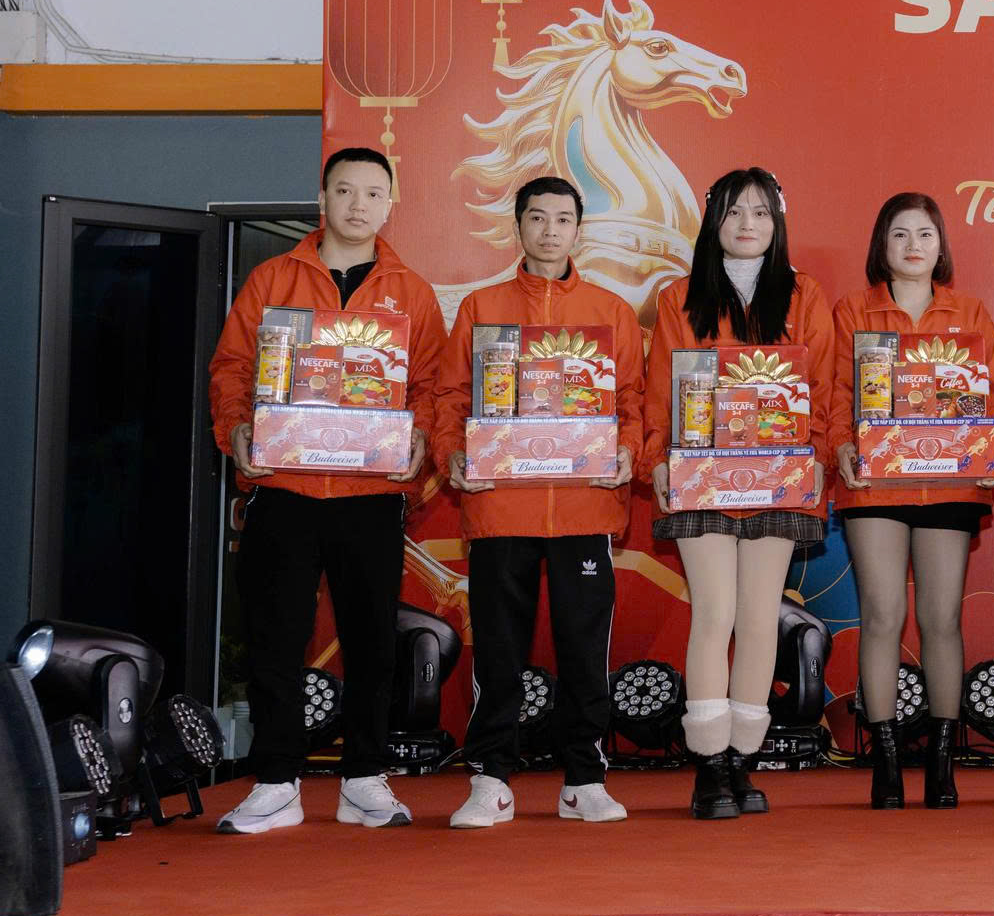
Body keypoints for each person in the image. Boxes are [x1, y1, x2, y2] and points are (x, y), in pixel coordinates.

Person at [205, 146, 444, 835]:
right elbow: (231, 366)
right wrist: (237, 427)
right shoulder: (273, 278)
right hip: (284, 487)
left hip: (370, 493)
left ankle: (364, 777)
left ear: (389, 205)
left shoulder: (411, 291)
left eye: (372, 193)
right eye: (344, 190)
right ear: (322, 198)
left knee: (372, 642)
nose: (357, 204)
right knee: (275, 638)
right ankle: (275, 781)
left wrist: (422, 437)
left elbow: (430, 386)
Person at [430, 176, 644, 828]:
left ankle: (584, 778)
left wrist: (628, 449)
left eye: (562, 219)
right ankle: (490, 778)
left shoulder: (612, 311)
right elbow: (452, 398)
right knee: (499, 650)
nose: (550, 230)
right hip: (500, 506)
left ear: (579, 228)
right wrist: (453, 455)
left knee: (584, 647)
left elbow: (632, 404)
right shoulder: (482, 307)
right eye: (537, 217)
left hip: (585, 507)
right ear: (517, 225)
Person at [642, 168, 841, 822]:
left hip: (779, 474)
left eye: (759, 211)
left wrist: (817, 454)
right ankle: (707, 765)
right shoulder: (679, 297)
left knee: (759, 617)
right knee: (716, 612)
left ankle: (739, 760)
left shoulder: (805, 295)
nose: (747, 224)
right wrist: (657, 457)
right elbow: (659, 390)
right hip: (702, 475)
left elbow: (824, 388)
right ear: (713, 222)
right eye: (733, 212)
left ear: (777, 220)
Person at [832, 193, 994, 810]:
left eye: (925, 234)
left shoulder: (970, 312)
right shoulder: (853, 310)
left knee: (941, 619)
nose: (913, 245)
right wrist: (840, 445)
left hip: (950, 484)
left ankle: (941, 760)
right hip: (874, 485)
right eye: (900, 234)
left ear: (941, 246)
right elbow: (835, 393)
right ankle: (884, 762)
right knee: (882, 616)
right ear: (881, 245)